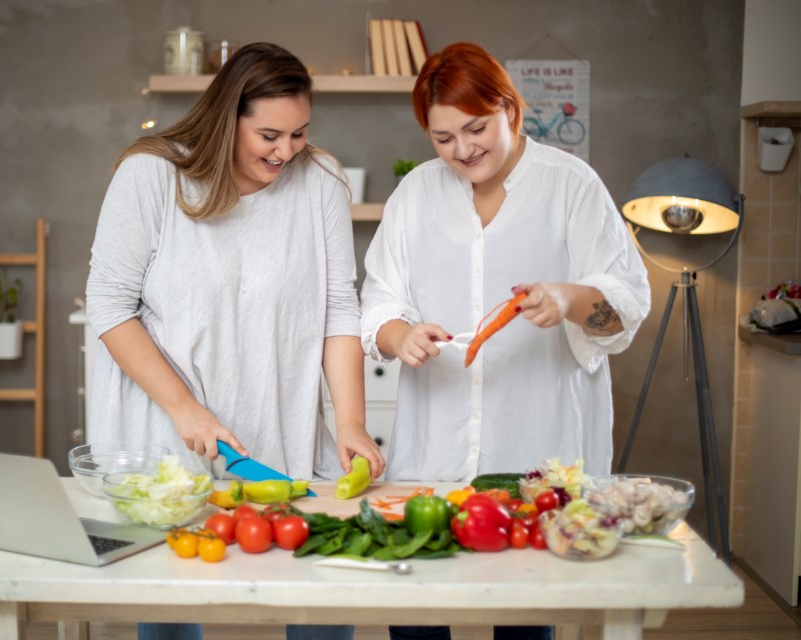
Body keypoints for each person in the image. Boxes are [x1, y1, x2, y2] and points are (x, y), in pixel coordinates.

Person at [85, 42, 385, 640]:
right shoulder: (151, 174)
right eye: (270, 135)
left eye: (299, 133)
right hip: (173, 432)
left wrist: (351, 422)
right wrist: (184, 408)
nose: (286, 151)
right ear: (229, 118)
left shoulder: (319, 180)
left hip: (282, 424)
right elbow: (110, 306)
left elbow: (338, 310)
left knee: (320, 605)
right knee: (171, 610)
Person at [360, 42, 651, 640]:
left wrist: (568, 299)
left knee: (526, 620)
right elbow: (379, 300)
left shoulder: (571, 185)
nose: (463, 151)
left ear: (509, 109)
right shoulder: (415, 194)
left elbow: (623, 312)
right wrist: (400, 334)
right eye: (443, 139)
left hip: (536, 452)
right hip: (433, 452)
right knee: (415, 616)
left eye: (476, 129)